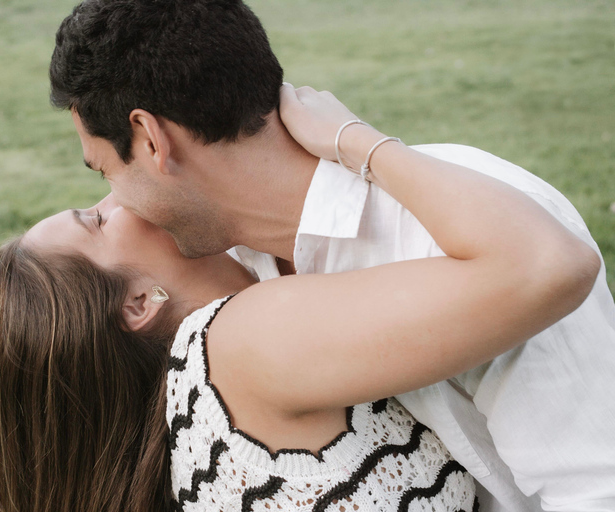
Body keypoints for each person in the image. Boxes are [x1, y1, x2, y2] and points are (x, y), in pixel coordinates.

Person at [48, 1, 615, 510]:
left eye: (105, 171)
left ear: (150, 139)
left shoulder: (470, 224)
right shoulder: (242, 274)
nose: (113, 201)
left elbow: (595, 487)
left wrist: (364, 144)